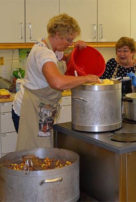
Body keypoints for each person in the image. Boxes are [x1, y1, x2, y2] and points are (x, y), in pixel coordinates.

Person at [13, 13, 100, 150]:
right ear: (57, 34)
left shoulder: (53, 50)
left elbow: (63, 60)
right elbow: (57, 82)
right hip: (30, 109)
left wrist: (77, 50)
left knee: (43, 150)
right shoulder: (43, 53)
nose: (70, 43)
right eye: (68, 40)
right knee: (34, 153)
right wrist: (85, 78)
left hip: (43, 109)